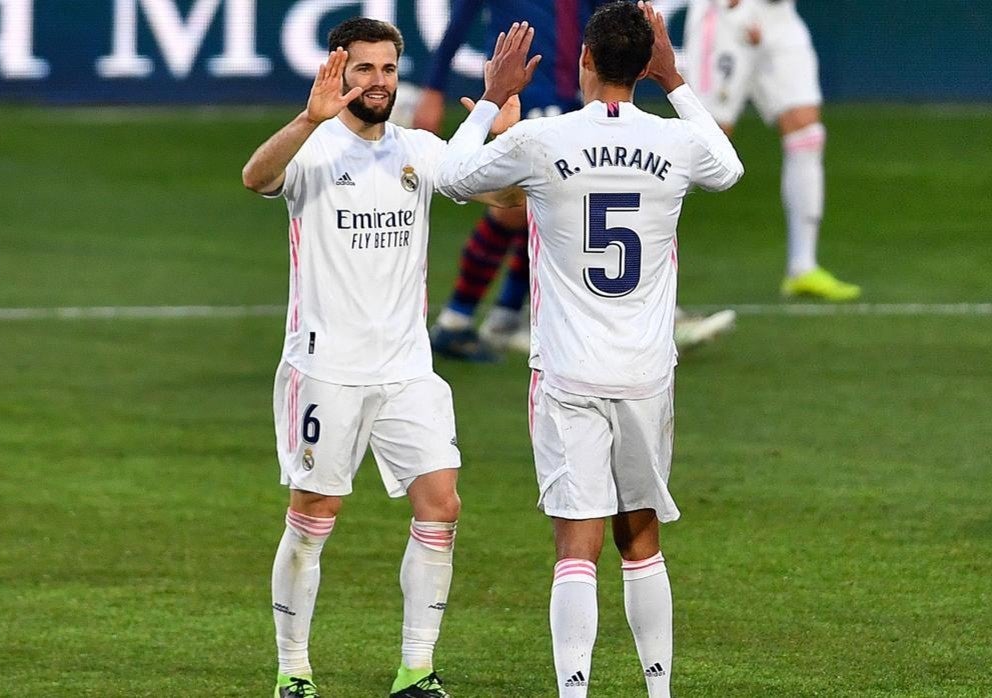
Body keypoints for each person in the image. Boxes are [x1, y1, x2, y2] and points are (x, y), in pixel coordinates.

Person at [435, 4, 743, 696]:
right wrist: (675, 81)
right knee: (642, 540)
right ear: (644, 66)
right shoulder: (674, 143)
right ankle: (658, 691)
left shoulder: (544, 141)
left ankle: (574, 692)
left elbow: (452, 178)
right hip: (646, 373)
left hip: (567, 373)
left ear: (584, 60)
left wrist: (492, 100)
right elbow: (729, 168)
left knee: (577, 546)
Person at [240, 17, 520, 698]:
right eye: (364, 69)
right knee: (315, 516)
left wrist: (508, 142)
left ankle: (416, 670)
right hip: (325, 367)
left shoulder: (418, 149)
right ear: (338, 72)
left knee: (442, 505)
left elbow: (506, 200)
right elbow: (255, 176)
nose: (378, 82)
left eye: (388, 69)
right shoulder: (313, 148)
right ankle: (293, 670)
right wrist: (307, 119)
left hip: (407, 369)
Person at [418, 0, 736, 361]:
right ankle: (462, 317)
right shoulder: (676, 140)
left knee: (555, 201)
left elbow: (605, 21)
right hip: (530, 90)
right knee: (519, 208)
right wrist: (434, 87)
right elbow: (459, 22)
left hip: (575, 94)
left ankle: (501, 314)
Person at [684, 0, 860, 301]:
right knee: (707, 142)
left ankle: (802, 267)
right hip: (728, 14)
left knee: (806, 131)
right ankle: (631, 241)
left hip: (779, 16)